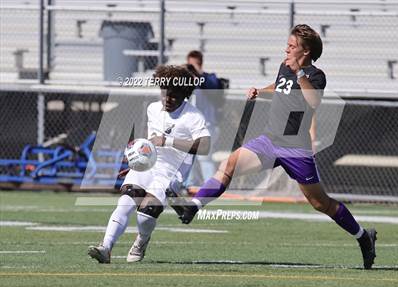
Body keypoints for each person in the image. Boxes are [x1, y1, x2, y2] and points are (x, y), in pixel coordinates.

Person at [175, 24, 377, 270]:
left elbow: (312, 101)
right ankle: (193, 207)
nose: (286, 49)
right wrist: (260, 91)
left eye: (292, 46)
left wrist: (300, 74)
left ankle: (363, 237)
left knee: (320, 203)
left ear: (306, 51)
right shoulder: (285, 66)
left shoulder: (316, 75)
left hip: (296, 148)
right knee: (228, 164)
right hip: (270, 140)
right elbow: (280, 87)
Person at [88, 65, 210, 264]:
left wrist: (168, 141)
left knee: (146, 213)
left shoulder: (193, 116)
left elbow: (205, 146)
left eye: (172, 96)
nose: (166, 99)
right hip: (147, 166)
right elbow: (150, 140)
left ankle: (142, 240)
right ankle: (106, 248)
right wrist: (138, 159)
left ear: (184, 94)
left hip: (171, 173)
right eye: (164, 93)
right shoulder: (153, 108)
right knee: (125, 202)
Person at [185, 50, 224, 185]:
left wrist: (199, 73)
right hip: (190, 126)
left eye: (193, 66)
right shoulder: (186, 81)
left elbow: (214, 86)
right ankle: (189, 185)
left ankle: (210, 185)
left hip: (207, 125)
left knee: (204, 157)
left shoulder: (209, 79)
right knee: (187, 156)